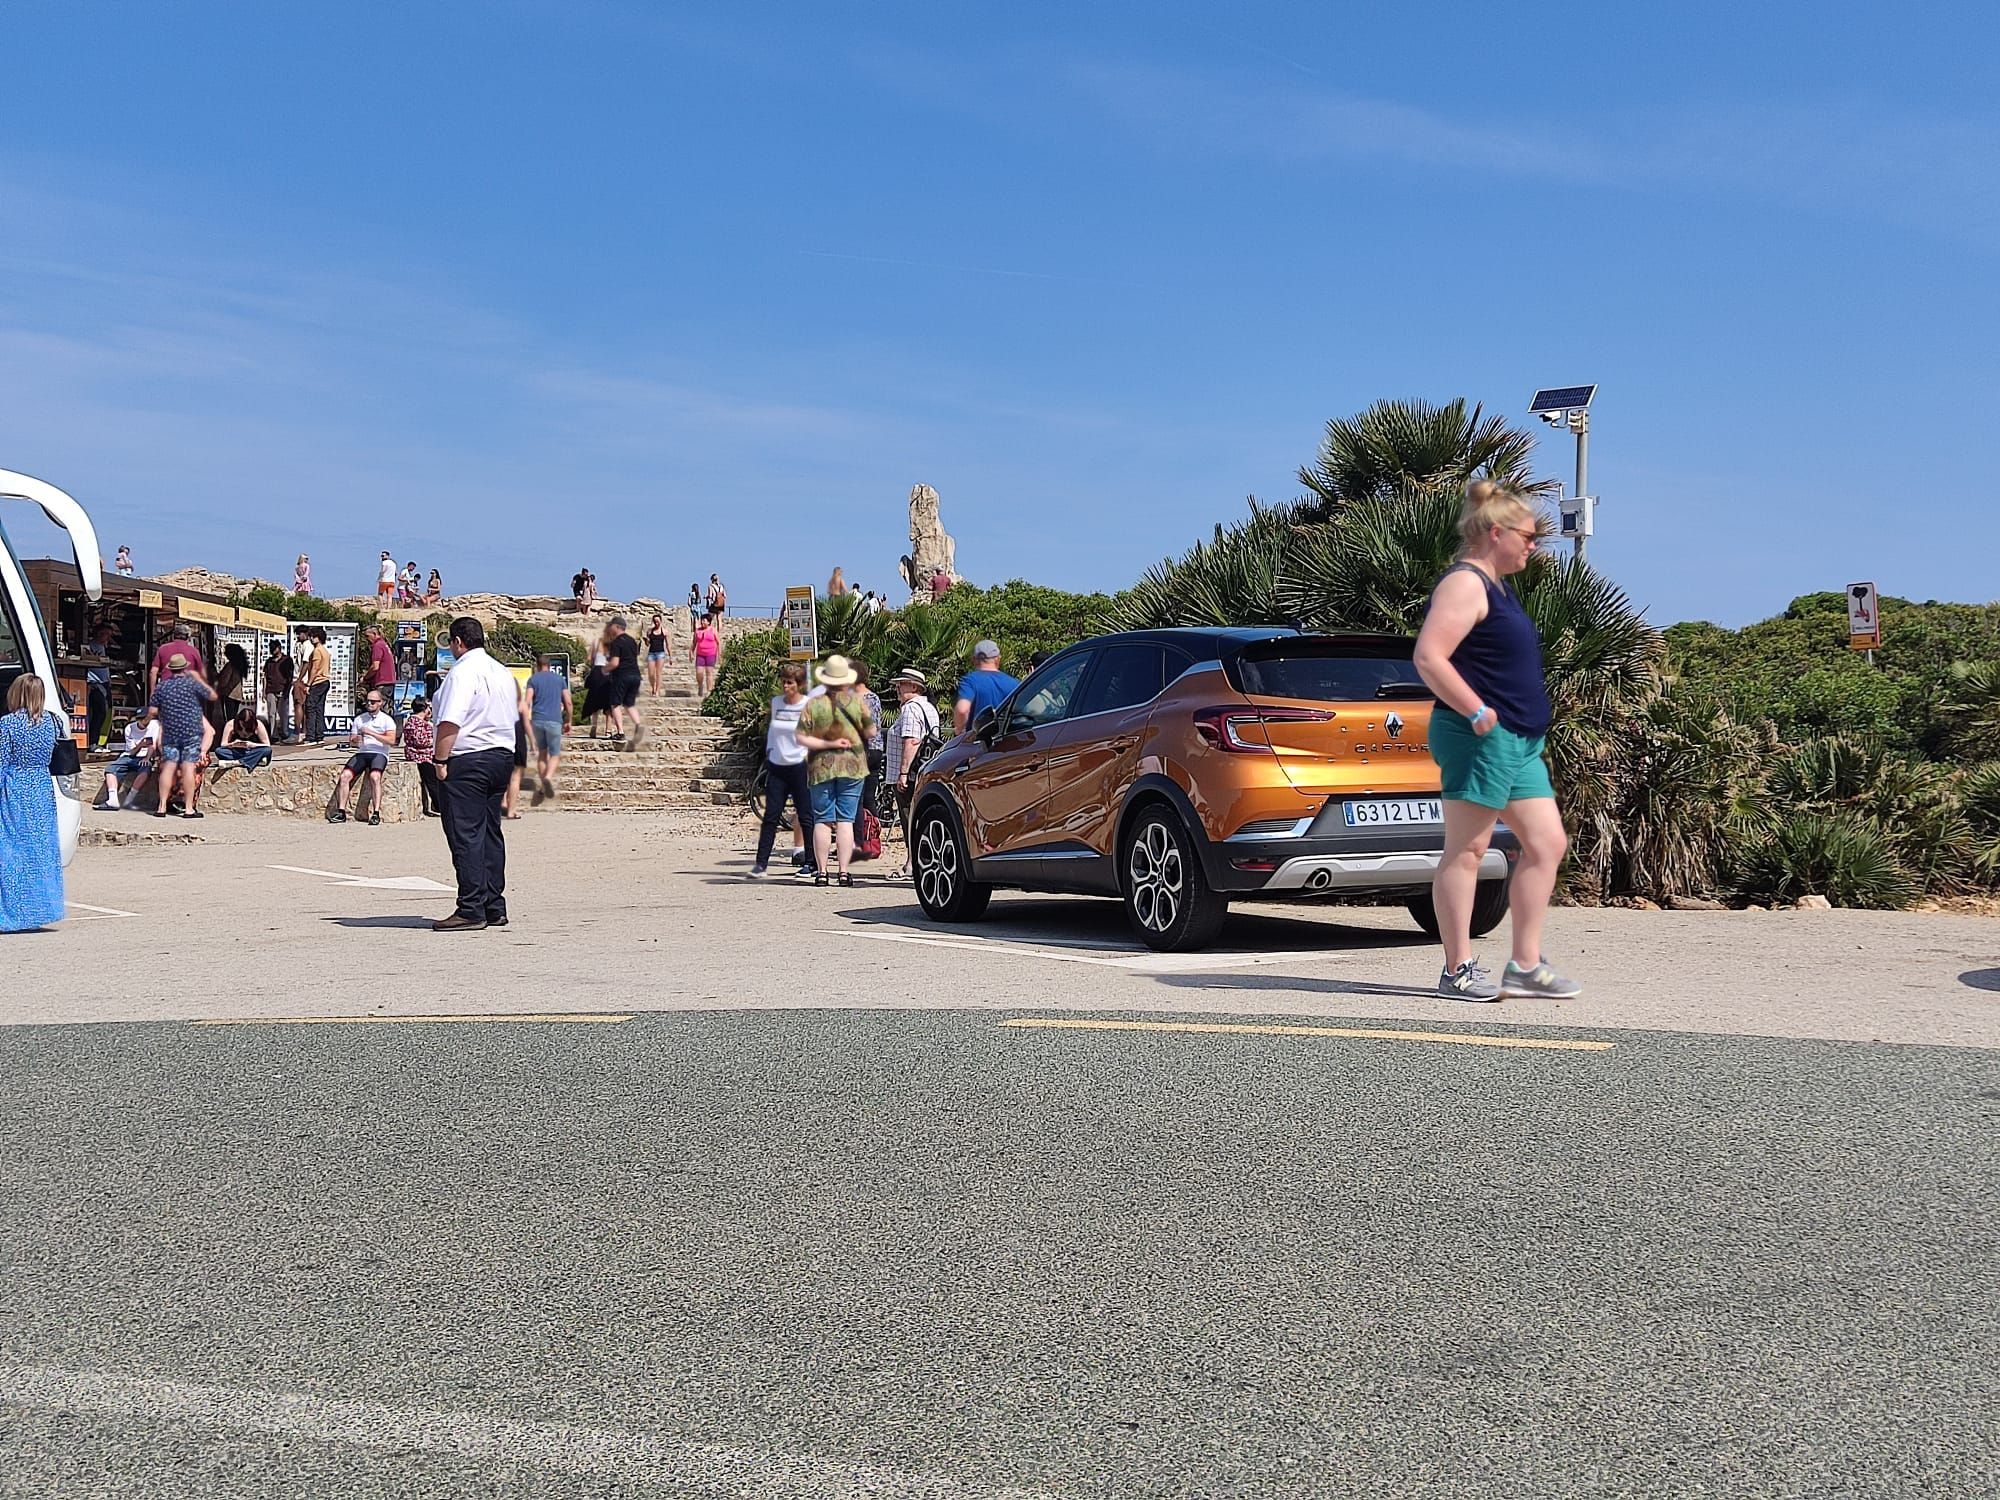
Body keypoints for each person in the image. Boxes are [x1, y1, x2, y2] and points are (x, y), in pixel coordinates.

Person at [1413, 478, 1581, 1004]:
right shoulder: (1464, 585)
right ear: (1494, 532)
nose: (1534, 546)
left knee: (1547, 844)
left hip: (1520, 740)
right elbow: (1429, 656)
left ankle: (1525, 966)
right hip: (1480, 736)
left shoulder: (1499, 587)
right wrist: (1477, 710)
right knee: (1468, 850)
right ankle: (1457, 970)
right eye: (1528, 536)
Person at [430, 616, 520, 931]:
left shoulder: (462, 672)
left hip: (469, 758)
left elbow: (450, 721)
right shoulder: (502, 672)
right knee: (490, 832)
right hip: (500, 756)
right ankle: (493, 904)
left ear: (457, 642)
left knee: (465, 833)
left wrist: (440, 760)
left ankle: (470, 907)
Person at [795, 654, 874, 888]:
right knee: (846, 820)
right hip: (853, 765)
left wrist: (825, 743)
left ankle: (821, 873)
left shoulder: (813, 704)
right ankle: (843, 872)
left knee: (822, 820)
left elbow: (800, 737)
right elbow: (871, 732)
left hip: (820, 766)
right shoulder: (857, 702)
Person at [0, 675, 64, 932]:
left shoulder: (7, 724)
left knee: (11, 850)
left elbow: (1, 762)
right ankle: (42, 909)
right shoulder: (53, 722)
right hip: (41, 786)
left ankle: (13, 913)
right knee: (41, 849)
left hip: (15, 788)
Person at [749, 662, 817, 878]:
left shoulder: (807, 704)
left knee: (805, 815)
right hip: (777, 765)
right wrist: (769, 754)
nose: (786, 686)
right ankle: (761, 864)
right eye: (784, 682)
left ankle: (811, 862)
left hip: (799, 765)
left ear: (799, 685)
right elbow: (773, 731)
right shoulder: (777, 703)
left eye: (790, 682)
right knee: (771, 816)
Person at [884, 667, 940, 877]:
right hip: (925, 770)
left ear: (914, 687)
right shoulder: (928, 708)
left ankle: (912, 863)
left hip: (911, 772)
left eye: (901, 684)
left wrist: (903, 773)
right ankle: (918, 861)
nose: (897, 688)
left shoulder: (910, 709)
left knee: (909, 818)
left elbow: (912, 741)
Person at [150, 650, 217, 820]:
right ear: (184, 668)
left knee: (168, 767)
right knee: (188, 767)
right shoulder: (191, 684)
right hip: (190, 731)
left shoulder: (162, 686)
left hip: (170, 730)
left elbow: (152, 710)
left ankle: (161, 806)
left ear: (171, 669)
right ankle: (188, 809)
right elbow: (212, 695)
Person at [328, 688, 399, 825]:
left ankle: (376, 812)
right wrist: (355, 740)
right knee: (344, 776)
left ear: (381, 703)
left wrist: (372, 733)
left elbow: (391, 741)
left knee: (375, 776)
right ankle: (341, 811)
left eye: (373, 702)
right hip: (363, 752)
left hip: (379, 752)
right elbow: (352, 739)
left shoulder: (387, 720)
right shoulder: (360, 719)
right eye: (368, 701)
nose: (370, 704)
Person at [526, 654, 572, 804]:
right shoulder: (559, 680)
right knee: (555, 754)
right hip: (554, 720)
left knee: (542, 754)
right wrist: (568, 720)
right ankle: (547, 777)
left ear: (537, 665)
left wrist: (526, 719)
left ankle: (542, 785)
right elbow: (568, 702)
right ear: (550, 665)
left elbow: (527, 701)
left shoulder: (533, 679)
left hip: (538, 720)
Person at [100, 708, 162, 810]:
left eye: (145, 718)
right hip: (130, 755)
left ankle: (129, 799)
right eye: (140, 719)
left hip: (145, 756)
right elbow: (131, 752)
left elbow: (153, 745)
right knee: (110, 769)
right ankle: (112, 799)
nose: (143, 721)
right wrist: (140, 745)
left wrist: (147, 758)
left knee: (145, 770)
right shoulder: (130, 728)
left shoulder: (155, 725)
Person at [954, 639, 1020, 734]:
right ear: (998, 659)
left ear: (974, 659)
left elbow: (962, 709)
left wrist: (960, 730)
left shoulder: (970, 681)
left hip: (977, 741)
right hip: (1006, 741)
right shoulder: (1014, 683)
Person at [602, 615, 645, 748]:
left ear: (617, 627)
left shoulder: (617, 642)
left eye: (611, 626)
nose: (610, 629)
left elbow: (615, 662)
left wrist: (605, 669)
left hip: (622, 675)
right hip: (635, 675)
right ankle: (638, 725)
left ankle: (620, 732)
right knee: (629, 704)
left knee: (615, 703)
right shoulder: (632, 641)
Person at [854, 660, 885, 821]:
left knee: (859, 799)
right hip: (873, 750)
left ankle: (863, 837)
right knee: (867, 798)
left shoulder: (866, 698)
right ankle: (870, 839)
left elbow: (869, 729)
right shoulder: (872, 698)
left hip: (865, 751)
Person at [403, 696, 440, 817]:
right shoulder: (414, 722)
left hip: (428, 755)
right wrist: (436, 740)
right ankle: (438, 805)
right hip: (420, 757)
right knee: (432, 780)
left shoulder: (425, 722)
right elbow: (421, 741)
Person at [148, 624, 207, 697]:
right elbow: (202, 674)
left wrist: (152, 692)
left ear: (173, 636)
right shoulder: (194, 651)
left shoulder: (162, 649)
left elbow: (153, 672)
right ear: (188, 637)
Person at [210, 642, 252, 735]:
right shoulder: (240, 665)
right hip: (237, 694)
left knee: (228, 719)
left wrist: (214, 674)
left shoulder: (230, 665)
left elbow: (224, 681)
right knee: (233, 717)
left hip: (228, 694)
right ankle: (234, 733)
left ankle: (229, 735)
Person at [215, 706, 273, 771]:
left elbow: (267, 744)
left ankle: (237, 762)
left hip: (252, 751)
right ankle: (253, 760)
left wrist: (253, 745)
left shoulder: (258, 725)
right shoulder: (231, 724)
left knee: (267, 750)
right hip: (238, 751)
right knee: (219, 751)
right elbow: (223, 744)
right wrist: (233, 744)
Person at [300, 627, 332, 743]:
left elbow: (314, 669)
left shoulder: (317, 651)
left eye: (313, 636)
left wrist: (308, 684)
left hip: (317, 682)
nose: (311, 638)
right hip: (325, 681)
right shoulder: (325, 651)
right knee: (319, 709)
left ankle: (311, 736)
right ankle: (319, 735)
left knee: (310, 708)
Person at [363, 624, 399, 717]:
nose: (366, 639)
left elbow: (375, 666)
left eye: (367, 636)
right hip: (389, 682)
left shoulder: (377, 646)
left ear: (374, 634)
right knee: (387, 710)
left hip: (382, 682)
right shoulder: (384, 644)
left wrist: (365, 678)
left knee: (380, 712)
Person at [263, 638, 294, 741]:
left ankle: (284, 732)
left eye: (274, 649)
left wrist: (287, 689)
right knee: (271, 713)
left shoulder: (287, 660)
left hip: (283, 689)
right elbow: (265, 677)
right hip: (270, 689)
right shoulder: (269, 662)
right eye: (271, 649)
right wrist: (264, 691)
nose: (272, 651)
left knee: (283, 712)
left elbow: (290, 676)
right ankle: (273, 734)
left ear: (279, 648)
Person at [691, 611, 722, 700]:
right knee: (699, 672)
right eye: (702, 620)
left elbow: (718, 642)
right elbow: (694, 642)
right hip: (700, 654)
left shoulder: (713, 630)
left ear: (709, 622)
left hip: (711, 654)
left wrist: (719, 654)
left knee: (709, 673)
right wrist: (691, 652)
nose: (702, 622)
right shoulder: (698, 631)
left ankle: (709, 690)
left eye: (704, 620)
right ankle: (700, 685)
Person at [645, 613, 670, 696]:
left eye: (658, 621)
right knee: (651, 673)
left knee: (658, 672)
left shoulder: (664, 631)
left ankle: (657, 690)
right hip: (651, 653)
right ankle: (653, 687)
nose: (656, 623)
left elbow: (668, 644)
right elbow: (647, 644)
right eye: (655, 621)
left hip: (660, 653)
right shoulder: (649, 631)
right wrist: (647, 640)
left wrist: (670, 656)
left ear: (661, 621)